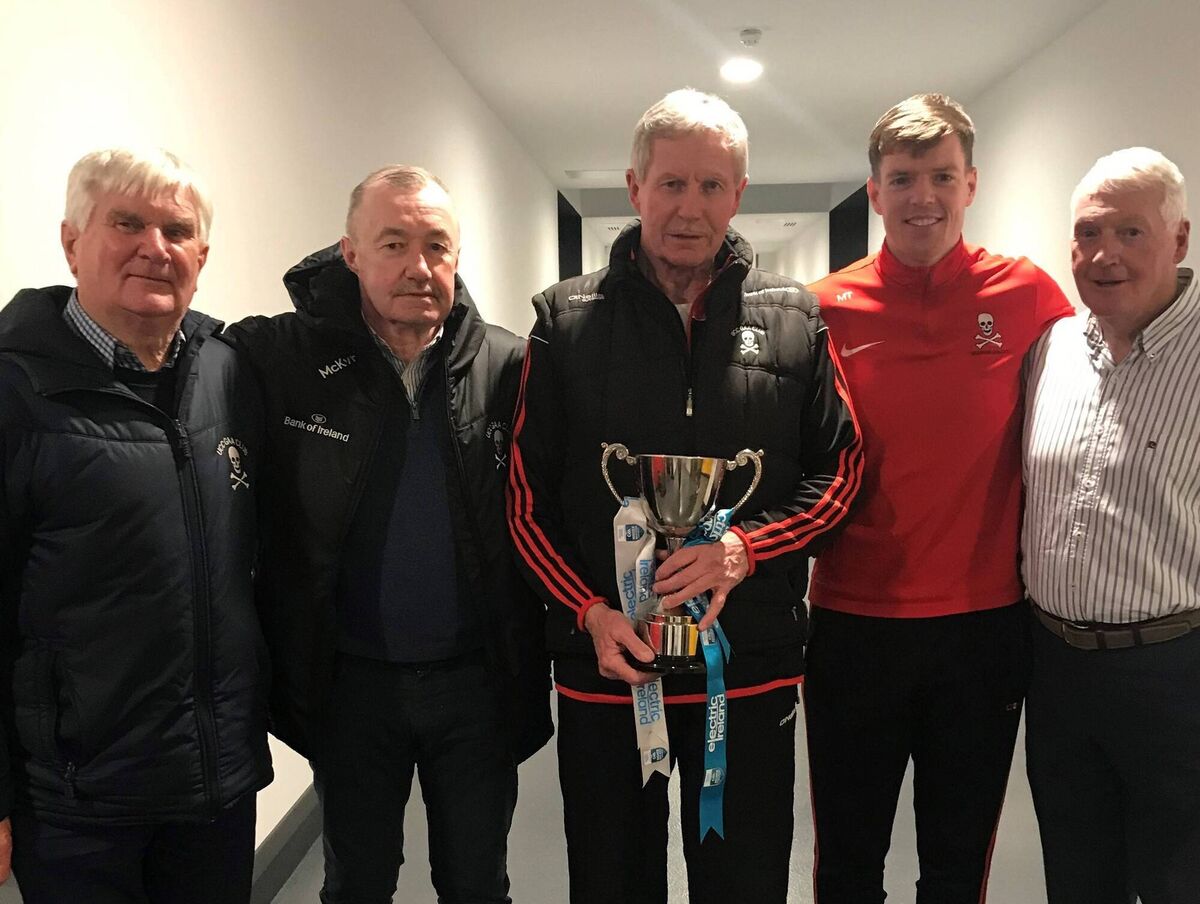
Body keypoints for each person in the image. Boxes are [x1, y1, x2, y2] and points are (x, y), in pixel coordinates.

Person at [507, 88, 862, 904]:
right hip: (608, 662)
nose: (689, 208)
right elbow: (526, 503)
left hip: (750, 665)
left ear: (739, 193)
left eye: (711, 185)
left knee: (744, 883)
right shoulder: (563, 323)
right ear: (635, 188)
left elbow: (841, 473)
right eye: (671, 183)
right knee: (610, 880)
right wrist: (590, 615)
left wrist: (745, 549)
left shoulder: (796, 321)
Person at [225, 165, 552, 904]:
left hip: (475, 682)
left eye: (436, 246)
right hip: (350, 685)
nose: (418, 267)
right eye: (393, 243)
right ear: (350, 254)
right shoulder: (284, 363)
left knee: (477, 883)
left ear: (457, 257)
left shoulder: (507, 365)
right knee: (358, 881)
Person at [805, 93, 1074, 903]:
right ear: (875, 190)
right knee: (847, 860)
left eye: (941, 176)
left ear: (971, 184)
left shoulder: (1028, 296)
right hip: (854, 626)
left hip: (982, 629)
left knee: (957, 865)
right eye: (903, 177)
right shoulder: (823, 309)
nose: (923, 196)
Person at [0, 147, 271, 903]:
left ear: (203, 255)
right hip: (77, 799)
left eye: (177, 230)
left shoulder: (227, 368)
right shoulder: (15, 392)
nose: (155, 248)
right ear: (71, 242)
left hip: (214, 784)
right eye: (127, 223)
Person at [1023, 146, 1200, 904]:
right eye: (1090, 233)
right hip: (1054, 668)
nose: (1105, 255)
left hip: (1173, 675)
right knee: (1075, 873)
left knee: (1174, 880)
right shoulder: (1054, 347)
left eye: (1131, 233)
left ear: (1179, 241)